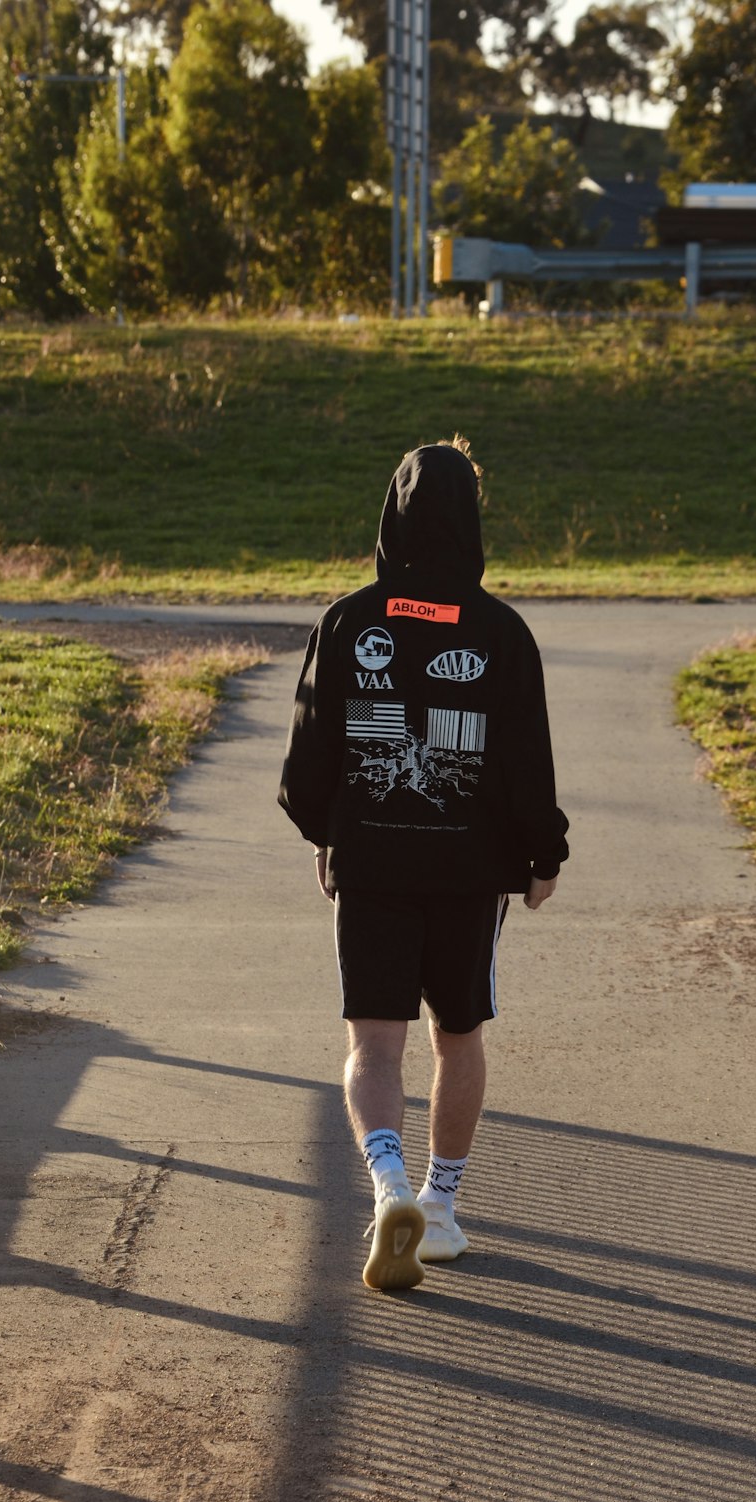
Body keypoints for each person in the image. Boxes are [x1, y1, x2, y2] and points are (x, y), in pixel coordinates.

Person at [279, 439, 568, 1291]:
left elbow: (307, 761)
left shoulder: (347, 622)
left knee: (373, 1045)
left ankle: (387, 1186)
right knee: (459, 1034)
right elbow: (525, 758)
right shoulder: (502, 632)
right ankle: (439, 1210)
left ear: (391, 513)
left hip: (372, 863)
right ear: (472, 518)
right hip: (470, 872)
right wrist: (541, 852)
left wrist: (331, 831)